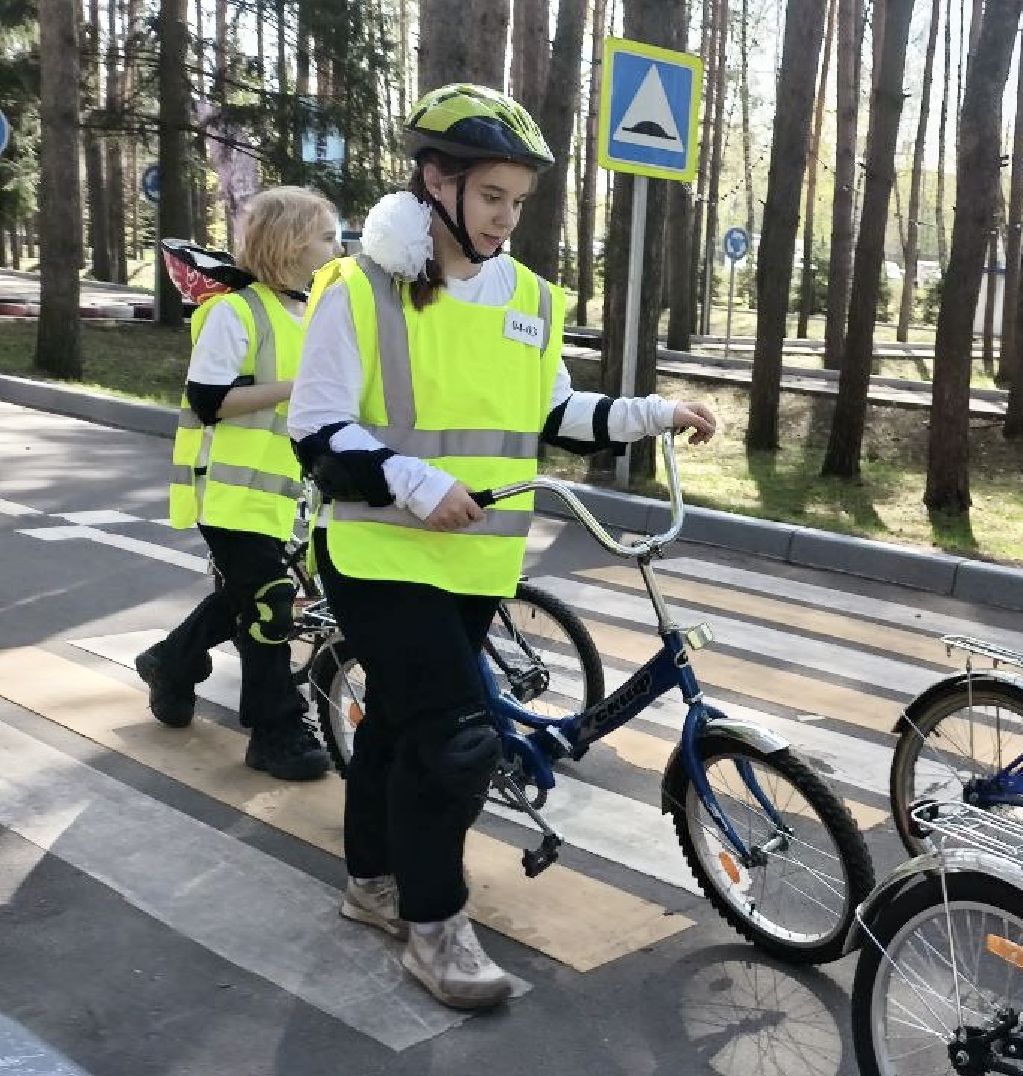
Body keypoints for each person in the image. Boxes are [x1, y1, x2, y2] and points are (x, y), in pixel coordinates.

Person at [288, 83, 718, 1011]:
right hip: (377, 554)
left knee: (403, 728)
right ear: (434, 183)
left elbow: (553, 408)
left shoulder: (528, 296)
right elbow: (316, 427)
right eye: (491, 198)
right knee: (454, 741)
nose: (505, 219)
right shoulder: (357, 288)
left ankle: (371, 883)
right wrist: (410, 478)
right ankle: (434, 930)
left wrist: (651, 413)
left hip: (477, 558)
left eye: (518, 202)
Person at [137, 188, 342, 782]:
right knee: (271, 599)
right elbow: (207, 402)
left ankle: (171, 663)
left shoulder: (309, 313)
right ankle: (275, 729)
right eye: (327, 237)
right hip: (226, 491)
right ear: (290, 243)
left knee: (244, 597)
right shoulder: (237, 312)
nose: (338, 248)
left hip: (280, 493)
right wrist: (297, 387)